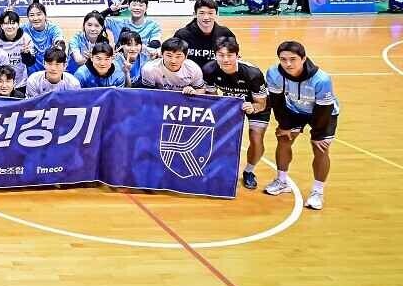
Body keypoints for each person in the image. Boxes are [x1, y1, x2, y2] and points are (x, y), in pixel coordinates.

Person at [263, 41, 338, 210]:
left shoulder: (321, 79)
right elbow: (277, 101)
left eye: (293, 59)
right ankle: (282, 181)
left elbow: (324, 108)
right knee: (283, 139)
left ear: (303, 58)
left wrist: (317, 135)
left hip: (322, 113)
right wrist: (284, 125)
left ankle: (317, 192)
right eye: (283, 59)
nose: (288, 64)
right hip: (294, 109)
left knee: (320, 148)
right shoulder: (274, 73)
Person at [202, 37, 269, 190]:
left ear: (238, 56)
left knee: (255, 137)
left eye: (230, 55)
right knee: (218, 135)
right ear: (215, 55)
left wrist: (253, 107)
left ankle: (249, 171)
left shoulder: (253, 73)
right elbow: (211, 95)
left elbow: (262, 103)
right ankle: (218, 169)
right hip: (231, 103)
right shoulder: (209, 69)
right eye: (221, 55)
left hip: (254, 103)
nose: (225, 59)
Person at [173, 0, 236, 68]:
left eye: (210, 13)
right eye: (202, 13)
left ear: (216, 14)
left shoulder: (225, 34)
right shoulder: (182, 35)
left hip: (216, 75)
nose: (206, 17)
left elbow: (233, 56)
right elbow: (174, 58)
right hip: (190, 76)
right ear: (195, 14)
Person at [139, 37, 205, 92]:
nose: (173, 61)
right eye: (169, 56)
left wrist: (194, 92)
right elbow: (147, 94)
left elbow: (201, 89)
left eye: (178, 56)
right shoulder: (149, 69)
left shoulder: (193, 69)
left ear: (186, 56)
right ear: (161, 54)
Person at [22, 2, 65, 68]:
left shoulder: (53, 29)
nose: (35, 18)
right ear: (28, 17)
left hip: (50, 69)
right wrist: (8, 15)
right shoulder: (24, 28)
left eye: (39, 14)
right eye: (32, 15)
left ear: (45, 16)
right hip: (31, 72)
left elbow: (59, 41)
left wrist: (59, 46)